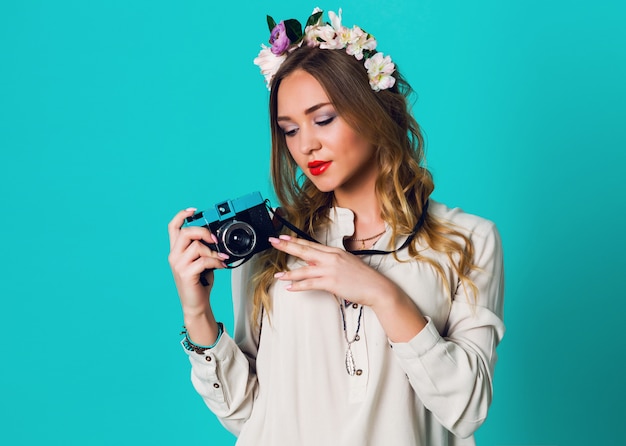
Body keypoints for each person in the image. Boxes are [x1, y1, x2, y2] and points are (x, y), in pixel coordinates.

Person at [167, 8, 504, 446]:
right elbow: (247, 413)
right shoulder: (272, 240)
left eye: (323, 119)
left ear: (372, 109)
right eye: (289, 130)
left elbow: (467, 408)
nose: (306, 145)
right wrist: (197, 314)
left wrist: (381, 293)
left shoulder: (469, 240)